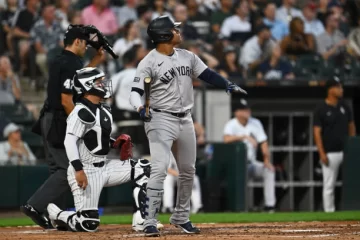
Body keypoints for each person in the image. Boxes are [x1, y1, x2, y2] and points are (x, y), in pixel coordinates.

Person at [129, 15, 246, 237]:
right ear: (164, 35)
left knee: (188, 170)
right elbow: (136, 93)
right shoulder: (148, 62)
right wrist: (140, 108)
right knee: (160, 167)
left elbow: (208, 74)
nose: (178, 31)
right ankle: (150, 220)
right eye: (174, 29)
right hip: (160, 118)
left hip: (185, 119)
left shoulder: (187, 56)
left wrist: (227, 85)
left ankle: (181, 216)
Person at [46, 67, 162, 232]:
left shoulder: (104, 108)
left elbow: (96, 137)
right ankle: (57, 214)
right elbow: (69, 141)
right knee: (88, 224)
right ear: (87, 86)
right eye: (98, 81)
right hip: (85, 169)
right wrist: (78, 169)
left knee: (144, 168)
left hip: (104, 165)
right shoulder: (80, 112)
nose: (103, 84)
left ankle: (142, 219)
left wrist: (115, 143)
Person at [20, 24, 104, 229]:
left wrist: (96, 60)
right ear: (77, 41)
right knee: (68, 169)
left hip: (52, 118)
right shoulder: (67, 62)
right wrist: (80, 124)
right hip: (59, 118)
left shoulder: (67, 60)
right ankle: (34, 205)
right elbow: (67, 99)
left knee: (57, 170)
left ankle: (55, 215)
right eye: (84, 42)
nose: (86, 46)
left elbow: (80, 79)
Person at [223, 99, 276, 212]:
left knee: (269, 170)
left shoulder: (255, 123)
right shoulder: (231, 124)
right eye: (244, 109)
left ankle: (269, 206)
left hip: (251, 164)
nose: (247, 111)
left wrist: (267, 160)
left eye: (247, 109)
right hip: (237, 166)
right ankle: (240, 207)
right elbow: (226, 139)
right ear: (237, 112)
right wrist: (244, 137)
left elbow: (264, 143)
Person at [313, 76, 356, 212]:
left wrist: (353, 147)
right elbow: (317, 132)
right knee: (329, 184)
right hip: (330, 152)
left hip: (347, 152)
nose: (341, 90)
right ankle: (329, 213)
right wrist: (321, 153)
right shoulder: (321, 109)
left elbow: (351, 127)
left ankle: (353, 209)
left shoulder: (345, 107)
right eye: (338, 87)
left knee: (352, 183)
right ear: (330, 90)